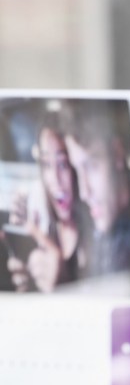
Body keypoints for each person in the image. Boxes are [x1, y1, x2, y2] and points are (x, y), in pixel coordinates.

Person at [63, 102, 130, 297]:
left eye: (91, 166)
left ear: (118, 153)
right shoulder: (89, 224)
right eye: (77, 169)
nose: (84, 192)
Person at [5, 117, 91, 292]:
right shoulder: (44, 229)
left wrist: (58, 286)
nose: (55, 179)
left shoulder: (95, 237)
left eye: (63, 164)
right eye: (46, 165)